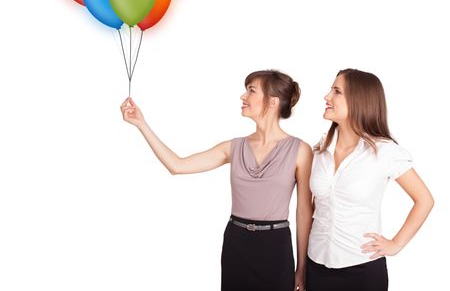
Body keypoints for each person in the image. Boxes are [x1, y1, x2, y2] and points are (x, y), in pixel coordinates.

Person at [120, 69, 313, 291]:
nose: (243, 97)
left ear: (272, 101)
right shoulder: (234, 147)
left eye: (251, 91)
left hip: (275, 246)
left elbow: (303, 212)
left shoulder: (300, 150)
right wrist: (141, 124)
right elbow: (177, 165)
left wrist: (302, 268)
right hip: (236, 243)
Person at [306, 68, 434, 291]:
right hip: (316, 265)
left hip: (362, 271)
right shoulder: (319, 151)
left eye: (336, 91)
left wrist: (395, 244)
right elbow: (315, 206)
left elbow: (424, 200)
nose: (327, 97)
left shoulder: (385, 152)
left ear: (359, 100)